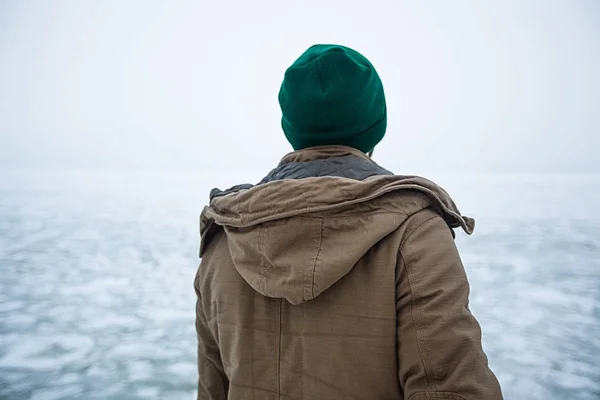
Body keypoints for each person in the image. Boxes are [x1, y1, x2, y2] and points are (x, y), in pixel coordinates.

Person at [194, 44, 503, 400]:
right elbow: (453, 388)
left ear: (291, 126)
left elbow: (211, 391)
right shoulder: (413, 233)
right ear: (374, 126)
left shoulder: (225, 238)